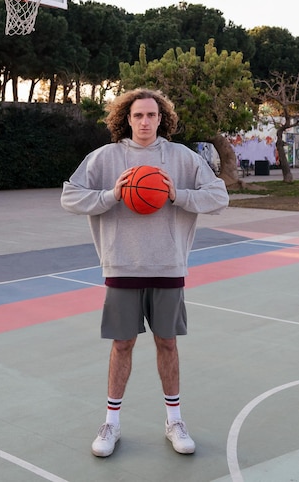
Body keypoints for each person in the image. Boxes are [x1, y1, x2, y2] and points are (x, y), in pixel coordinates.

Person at [60, 88, 229, 458]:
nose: (145, 122)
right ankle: (111, 424)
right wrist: (110, 196)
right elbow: (69, 196)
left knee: (167, 342)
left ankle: (174, 420)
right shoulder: (105, 158)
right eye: (138, 115)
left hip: (168, 264)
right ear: (126, 118)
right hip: (122, 264)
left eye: (152, 115)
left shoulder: (181, 157)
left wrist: (179, 195)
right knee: (122, 344)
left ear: (162, 119)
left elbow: (219, 196)